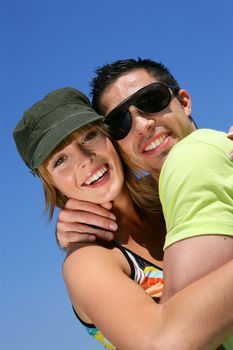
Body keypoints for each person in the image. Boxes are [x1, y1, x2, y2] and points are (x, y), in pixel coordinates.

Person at [13, 87, 233, 349]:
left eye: (89, 136)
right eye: (60, 160)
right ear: (51, 183)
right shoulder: (87, 262)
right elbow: (159, 345)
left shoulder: (170, 193)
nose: (85, 160)